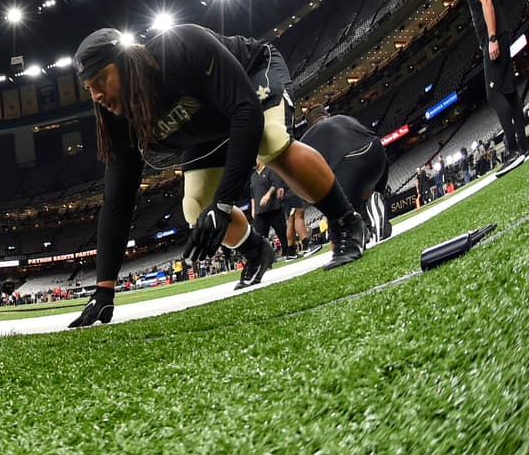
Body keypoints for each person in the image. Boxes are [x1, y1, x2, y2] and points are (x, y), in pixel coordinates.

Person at [67, 24, 367, 328]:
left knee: (271, 141)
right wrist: (103, 291)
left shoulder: (180, 46)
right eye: (89, 87)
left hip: (248, 82)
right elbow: (117, 202)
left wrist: (224, 203)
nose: (97, 95)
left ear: (127, 62)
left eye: (101, 79)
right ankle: (256, 251)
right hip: (209, 125)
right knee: (195, 206)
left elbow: (245, 111)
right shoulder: (117, 121)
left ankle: (346, 221)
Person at [437, 0, 528, 159]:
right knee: (510, 93)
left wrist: (493, 38)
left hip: (494, 37)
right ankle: (524, 147)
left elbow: (487, 1)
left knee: (494, 95)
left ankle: (513, 149)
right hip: (491, 38)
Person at [300, 106, 391, 244]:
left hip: (349, 163)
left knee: (343, 222)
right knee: (363, 191)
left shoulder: (307, 138)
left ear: (309, 124)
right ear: (327, 114)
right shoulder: (344, 118)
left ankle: (363, 226)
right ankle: (375, 200)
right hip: (378, 153)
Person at [250, 164, 294, 266]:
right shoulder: (253, 176)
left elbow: (275, 184)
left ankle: (289, 252)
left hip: (273, 208)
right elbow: (252, 194)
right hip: (260, 212)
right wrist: (253, 209)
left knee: (282, 232)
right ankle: (264, 260)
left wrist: (267, 195)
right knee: (260, 238)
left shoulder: (270, 170)